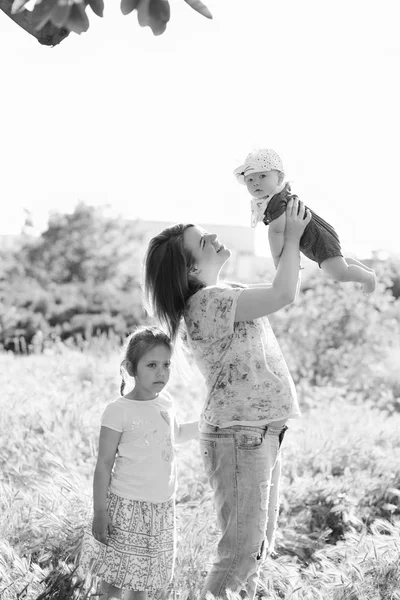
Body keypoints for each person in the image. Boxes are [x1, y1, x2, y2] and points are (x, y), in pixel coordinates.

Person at [143, 198, 311, 600]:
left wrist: (283, 236)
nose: (214, 236)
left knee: (255, 551)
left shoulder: (222, 295)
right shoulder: (207, 304)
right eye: (202, 241)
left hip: (260, 433)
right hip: (241, 436)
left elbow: (280, 286)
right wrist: (293, 237)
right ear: (191, 269)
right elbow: (284, 292)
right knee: (241, 554)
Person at [79, 326, 199, 600]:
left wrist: (208, 423)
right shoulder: (118, 410)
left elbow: (177, 434)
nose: (161, 372)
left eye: (166, 365)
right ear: (131, 369)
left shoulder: (166, 403)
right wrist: (100, 511)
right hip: (126, 508)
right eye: (152, 365)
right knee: (114, 580)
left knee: (141, 581)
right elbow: (104, 464)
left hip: (160, 509)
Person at [234, 148, 376, 295]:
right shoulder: (277, 196)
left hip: (317, 238)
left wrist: (278, 259)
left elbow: (276, 232)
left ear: (280, 178)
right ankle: (367, 272)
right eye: (250, 179)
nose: (256, 183)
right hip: (320, 233)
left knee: (339, 274)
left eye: (262, 176)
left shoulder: (274, 202)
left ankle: (368, 277)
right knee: (338, 263)